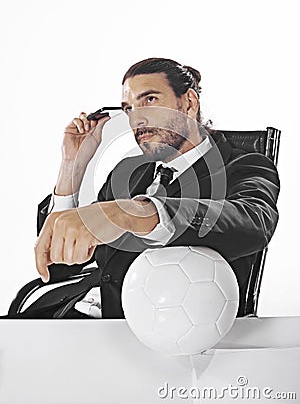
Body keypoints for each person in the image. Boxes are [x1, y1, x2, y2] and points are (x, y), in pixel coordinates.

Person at [6, 58, 280, 319]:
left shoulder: (244, 166)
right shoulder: (130, 172)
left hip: (155, 329)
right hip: (75, 317)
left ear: (189, 103)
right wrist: (72, 166)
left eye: (149, 100)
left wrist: (132, 213)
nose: (136, 118)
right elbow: (58, 268)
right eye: (128, 109)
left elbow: (253, 222)